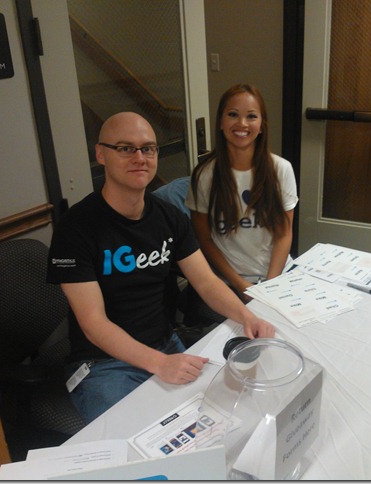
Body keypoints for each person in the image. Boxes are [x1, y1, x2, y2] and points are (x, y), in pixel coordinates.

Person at [47, 112, 275, 424]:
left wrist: (247, 316)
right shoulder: (75, 229)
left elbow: (206, 282)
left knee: (221, 417)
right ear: (101, 154)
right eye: (126, 148)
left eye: (148, 148)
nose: (139, 157)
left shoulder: (168, 216)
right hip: (103, 363)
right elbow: (93, 323)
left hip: (165, 345)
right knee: (138, 447)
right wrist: (159, 363)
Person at [184, 84, 298, 323]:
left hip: (278, 277)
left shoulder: (281, 169)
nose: (242, 124)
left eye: (251, 116)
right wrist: (241, 286)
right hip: (229, 283)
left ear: (261, 126)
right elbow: (204, 240)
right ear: (221, 122)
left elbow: (284, 233)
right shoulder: (205, 175)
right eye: (233, 114)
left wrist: (270, 285)